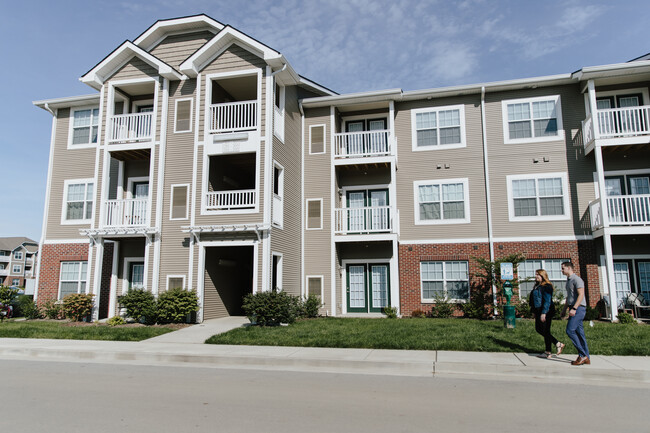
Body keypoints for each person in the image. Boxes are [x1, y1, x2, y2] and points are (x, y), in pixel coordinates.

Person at [530, 269, 564, 358]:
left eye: (538, 275)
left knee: (545, 330)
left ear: (543, 276)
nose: (536, 276)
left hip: (546, 310)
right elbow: (533, 300)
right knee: (539, 329)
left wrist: (544, 313)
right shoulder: (537, 286)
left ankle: (548, 351)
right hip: (538, 310)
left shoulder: (547, 286)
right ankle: (557, 343)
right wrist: (534, 311)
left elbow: (547, 301)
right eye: (536, 274)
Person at [561, 261, 590, 365]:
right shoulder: (568, 280)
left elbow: (581, 295)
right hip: (573, 307)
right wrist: (564, 309)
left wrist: (574, 308)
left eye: (563, 268)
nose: (561, 270)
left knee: (570, 331)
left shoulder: (577, 279)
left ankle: (582, 355)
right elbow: (569, 297)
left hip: (579, 308)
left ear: (569, 268)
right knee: (579, 333)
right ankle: (587, 357)